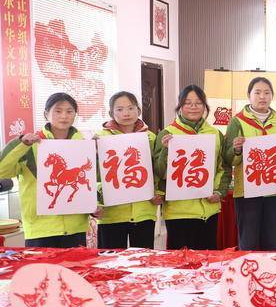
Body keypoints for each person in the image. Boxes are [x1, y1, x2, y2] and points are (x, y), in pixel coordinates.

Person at [0, 93, 93, 247]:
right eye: (58, 111)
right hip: (40, 228)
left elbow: (92, 180)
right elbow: (2, 170)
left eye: (69, 111)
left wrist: (94, 205)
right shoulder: (31, 144)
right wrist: (21, 144)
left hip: (75, 228)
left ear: (75, 115)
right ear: (46, 114)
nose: (64, 116)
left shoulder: (84, 144)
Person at [154, 85, 231, 250]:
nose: (193, 107)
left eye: (198, 103)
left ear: (205, 106)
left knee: (207, 259)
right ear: (180, 106)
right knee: (181, 260)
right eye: (188, 103)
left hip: (208, 210)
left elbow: (223, 167)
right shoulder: (168, 134)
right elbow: (159, 172)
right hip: (178, 212)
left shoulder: (215, 134)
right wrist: (165, 150)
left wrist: (219, 192)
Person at [224, 77, 276, 251]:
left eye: (267, 93)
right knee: (248, 243)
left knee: (272, 242)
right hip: (247, 192)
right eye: (257, 92)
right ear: (249, 95)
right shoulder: (237, 122)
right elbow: (227, 158)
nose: (262, 97)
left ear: (272, 96)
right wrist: (236, 150)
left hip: (273, 191)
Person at [96, 91, 161, 249]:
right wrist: (98, 200)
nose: (126, 113)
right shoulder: (100, 139)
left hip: (143, 211)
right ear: (111, 113)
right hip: (112, 214)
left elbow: (158, 171)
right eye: (119, 109)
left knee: (143, 258)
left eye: (131, 108)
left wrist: (159, 193)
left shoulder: (150, 137)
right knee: (111, 260)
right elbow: (94, 175)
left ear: (138, 110)